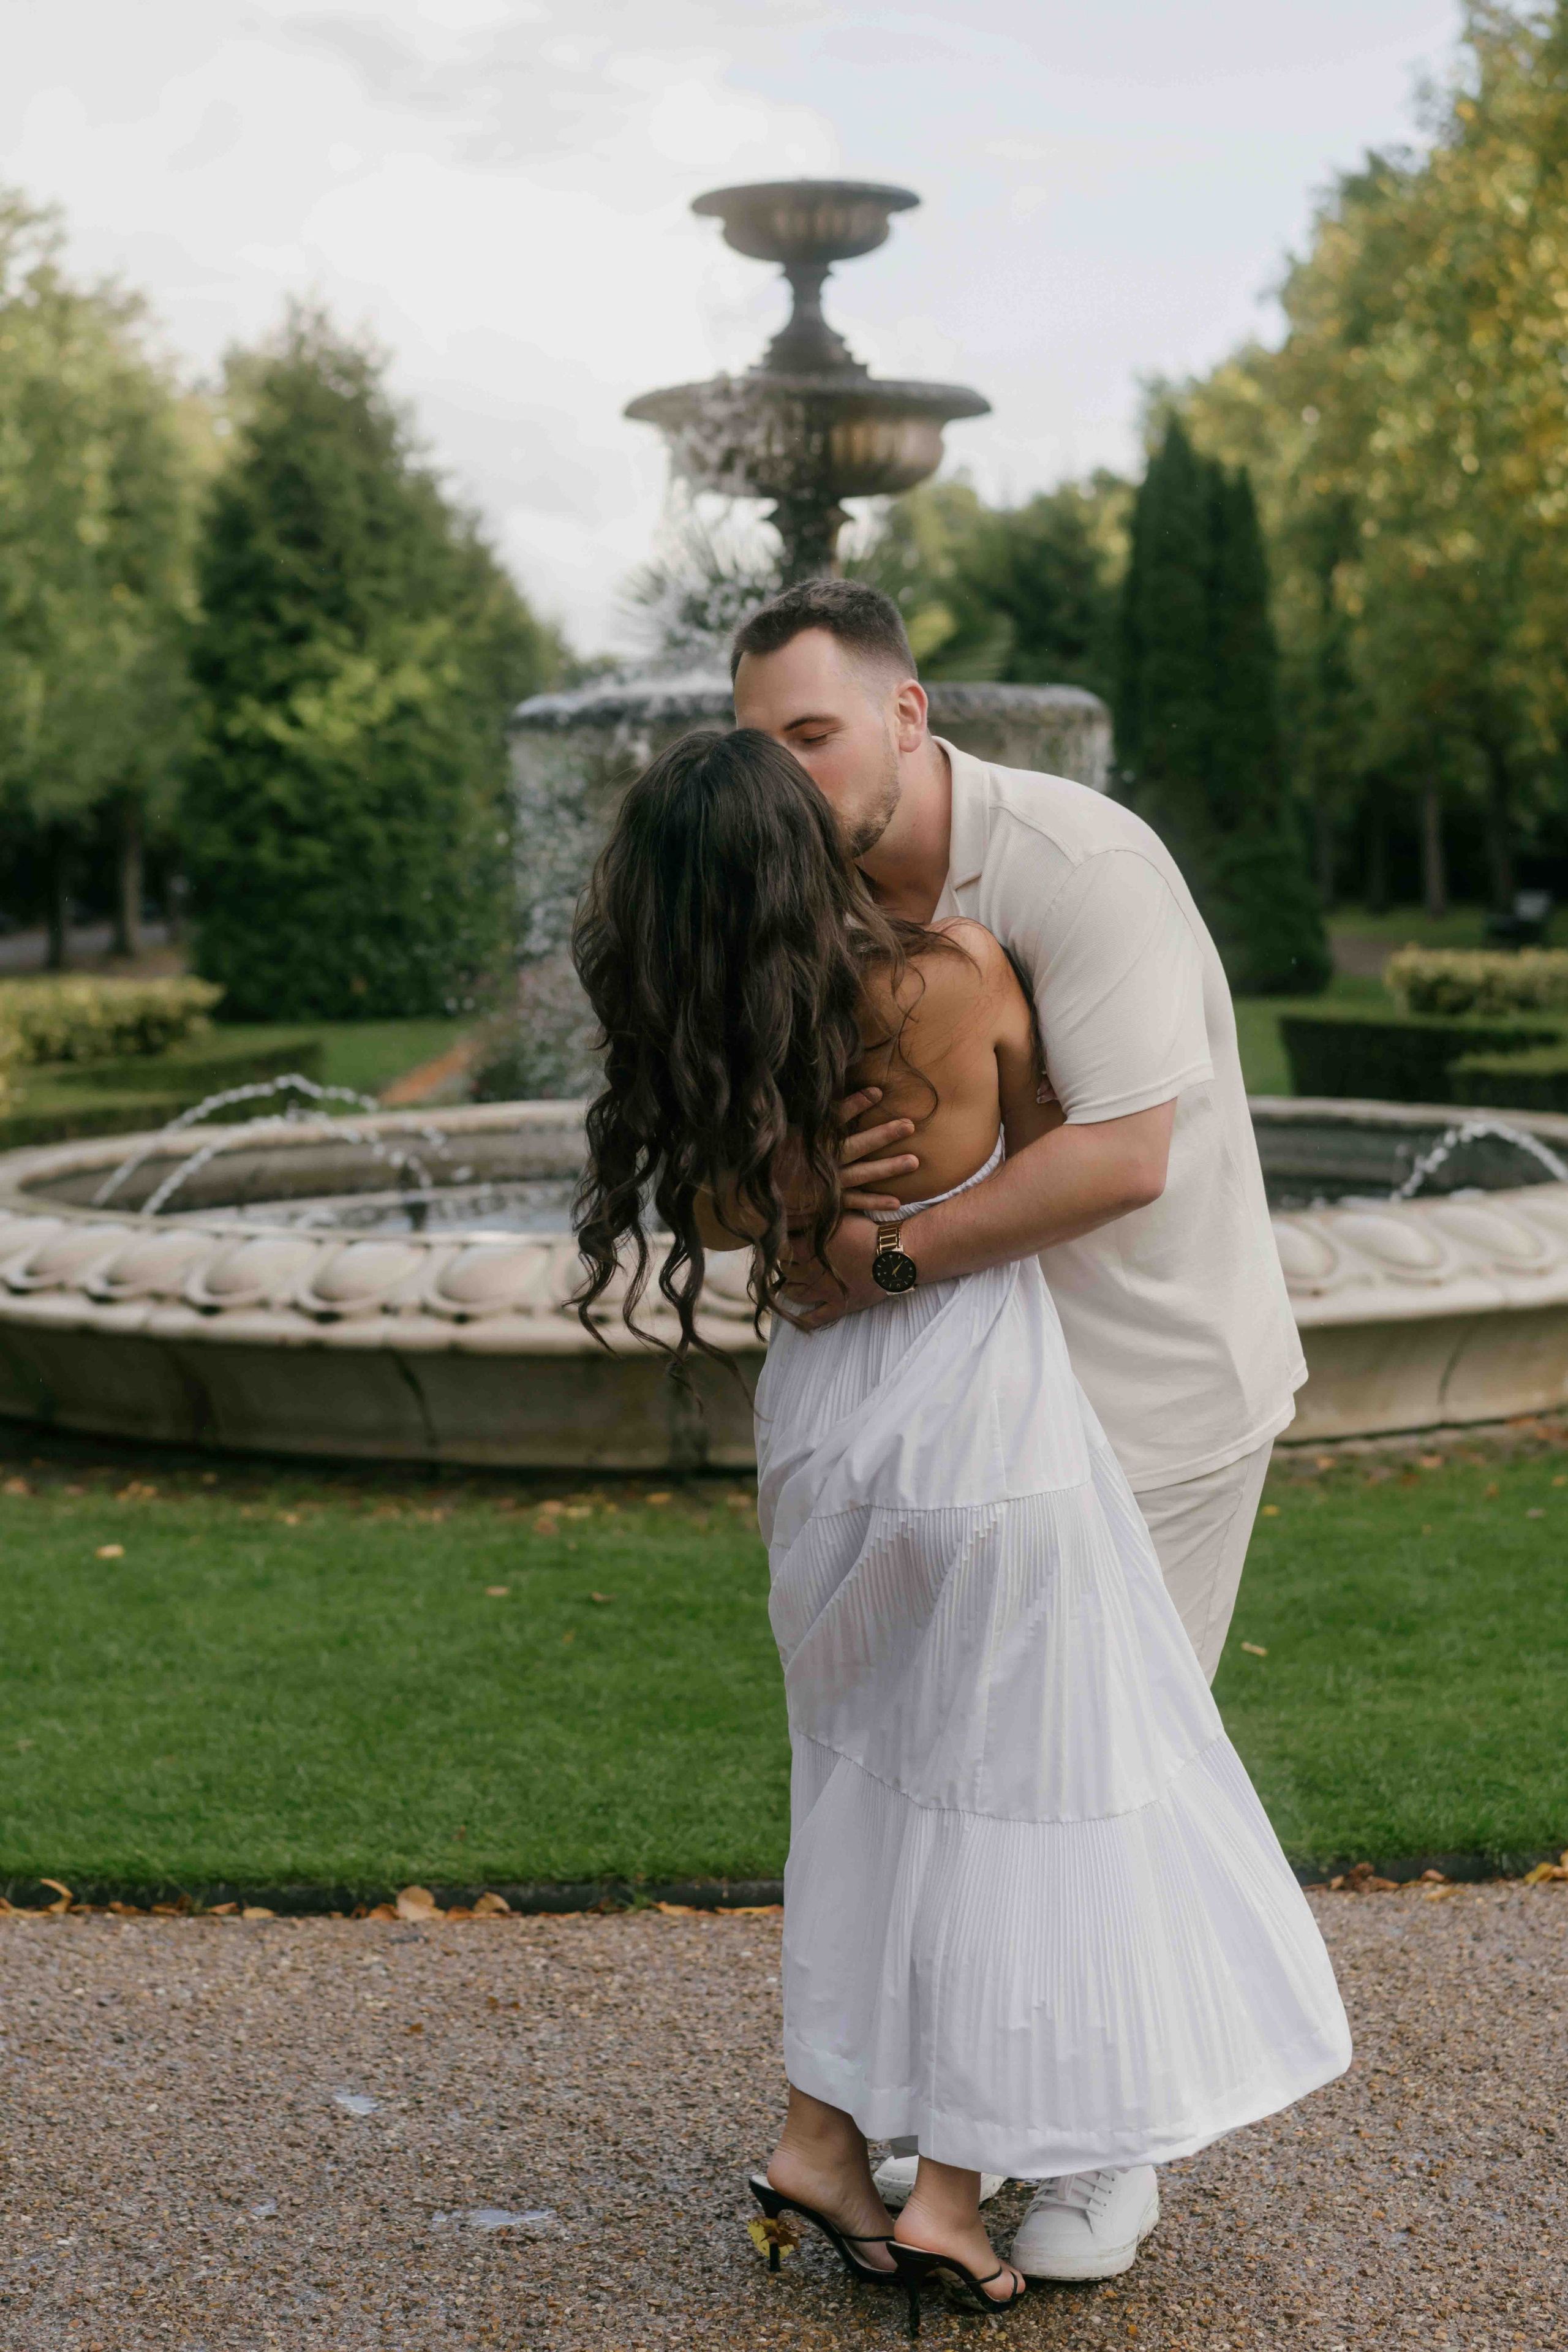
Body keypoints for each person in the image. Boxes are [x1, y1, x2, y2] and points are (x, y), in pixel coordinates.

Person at [572, 726, 1351, 2331]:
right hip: (976, 1419)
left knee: (866, 1786)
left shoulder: (719, 1042)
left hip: (823, 1427)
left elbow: (720, 1210)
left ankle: (819, 2142)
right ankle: (947, 2194)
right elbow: (1075, 1144)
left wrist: (801, 1198)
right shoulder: (964, 971)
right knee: (1024, 1793)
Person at [729, 576, 1310, 2279]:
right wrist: (798, 1203)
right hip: (954, 1416)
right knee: (950, 1780)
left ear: (908, 715)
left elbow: (1124, 1154)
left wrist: (880, 1255)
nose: (790, 772)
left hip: (1146, 1389)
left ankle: (1099, 2160)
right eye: (761, 744)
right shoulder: (801, 906)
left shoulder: (1076, 867)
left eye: (817, 732)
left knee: (1087, 1791)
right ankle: (956, 2135)